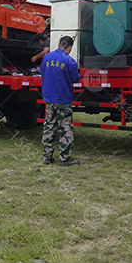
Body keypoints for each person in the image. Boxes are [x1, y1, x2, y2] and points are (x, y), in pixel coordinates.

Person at [40, 35, 81, 166]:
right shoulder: (69, 61)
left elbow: (42, 71)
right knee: (65, 128)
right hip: (63, 99)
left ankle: (47, 156)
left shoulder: (46, 57)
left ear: (59, 44)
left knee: (49, 125)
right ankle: (65, 158)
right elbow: (75, 78)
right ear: (69, 47)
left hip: (49, 98)